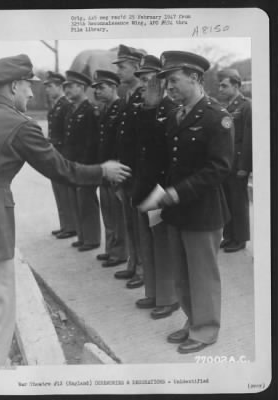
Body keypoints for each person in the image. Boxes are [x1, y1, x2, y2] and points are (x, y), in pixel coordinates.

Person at [0, 54, 131, 366]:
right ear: (14, 85)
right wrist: (103, 171)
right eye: (29, 86)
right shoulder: (19, 124)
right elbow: (63, 170)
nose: (32, 93)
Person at [156, 51, 234, 353]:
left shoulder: (217, 117)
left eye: (173, 80)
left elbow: (219, 167)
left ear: (196, 78)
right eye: (166, 82)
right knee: (183, 273)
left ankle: (206, 330)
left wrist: (178, 192)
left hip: (202, 211)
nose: (169, 88)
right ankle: (193, 321)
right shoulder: (177, 114)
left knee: (202, 275)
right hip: (177, 211)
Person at [131, 55, 180, 319]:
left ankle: (168, 297)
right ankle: (153, 292)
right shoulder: (146, 107)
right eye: (140, 78)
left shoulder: (171, 108)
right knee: (147, 244)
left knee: (161, 245)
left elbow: (167, 150)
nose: (143, 83)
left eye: (148, 78)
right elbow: (139, 146)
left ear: (161, 81)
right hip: (144, 183)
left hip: (160, 187)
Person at [112, 44, 144, 289]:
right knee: (129, 220)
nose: (119, 71)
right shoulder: (127, 94)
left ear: (137, 66)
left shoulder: (145, 93)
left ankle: (143, 268)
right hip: (127, 169)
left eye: (123, 66)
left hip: (139, 170)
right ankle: (134, 262)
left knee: (141, 222)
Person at [92, 70, 128, 267]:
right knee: (107, 211)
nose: (97, 92)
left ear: (114, 87)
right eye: (96, 89)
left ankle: (120, 252)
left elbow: (121, 142)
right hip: (104, 168)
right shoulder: (105, 109)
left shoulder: (121, 107)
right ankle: (111, 248)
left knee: (117, 213)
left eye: (101, 87)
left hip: (115, 168)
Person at [63, 70, 101, 252]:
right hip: (72, 164)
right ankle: (82, 235)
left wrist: (85, 166)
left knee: (86, 201)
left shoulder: (89, 110)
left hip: (85, 165)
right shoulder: (72, 110)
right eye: (65, 87)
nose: (67, 90)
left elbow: (91, 142)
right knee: (76, 201)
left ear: (82, 87)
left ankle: (92, 238)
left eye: (70, 86)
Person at [218, 68, 252, 252]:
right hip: (226, 164)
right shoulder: (226, 107)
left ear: (236, 85)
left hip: (238, 164)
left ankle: (240, 239)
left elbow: (248, 139)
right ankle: (229, 235)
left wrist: (244, 166)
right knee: (227, 201)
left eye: (224, 85)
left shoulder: (246, 106)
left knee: (239, 202)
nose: (220, 89)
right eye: (220, 85)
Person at [43, 71, 76, 239]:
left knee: (65, 190)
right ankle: (65, 224)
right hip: (55, 151)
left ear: (59, 87)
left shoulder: (66, 105)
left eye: (50, 86)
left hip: (63, 153)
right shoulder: (56, 105)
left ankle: (71, 226)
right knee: (58, 190)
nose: (47, 90)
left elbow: (67, 134)